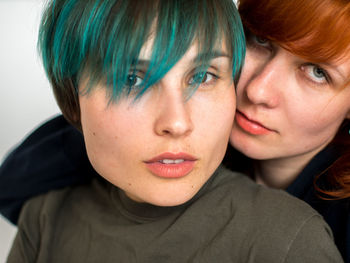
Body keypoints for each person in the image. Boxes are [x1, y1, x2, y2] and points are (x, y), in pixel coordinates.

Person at [6, 0, 344, 262]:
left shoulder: (294, 236)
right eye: (260, 40)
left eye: (317, 72)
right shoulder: (48, 215)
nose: (257, 91)